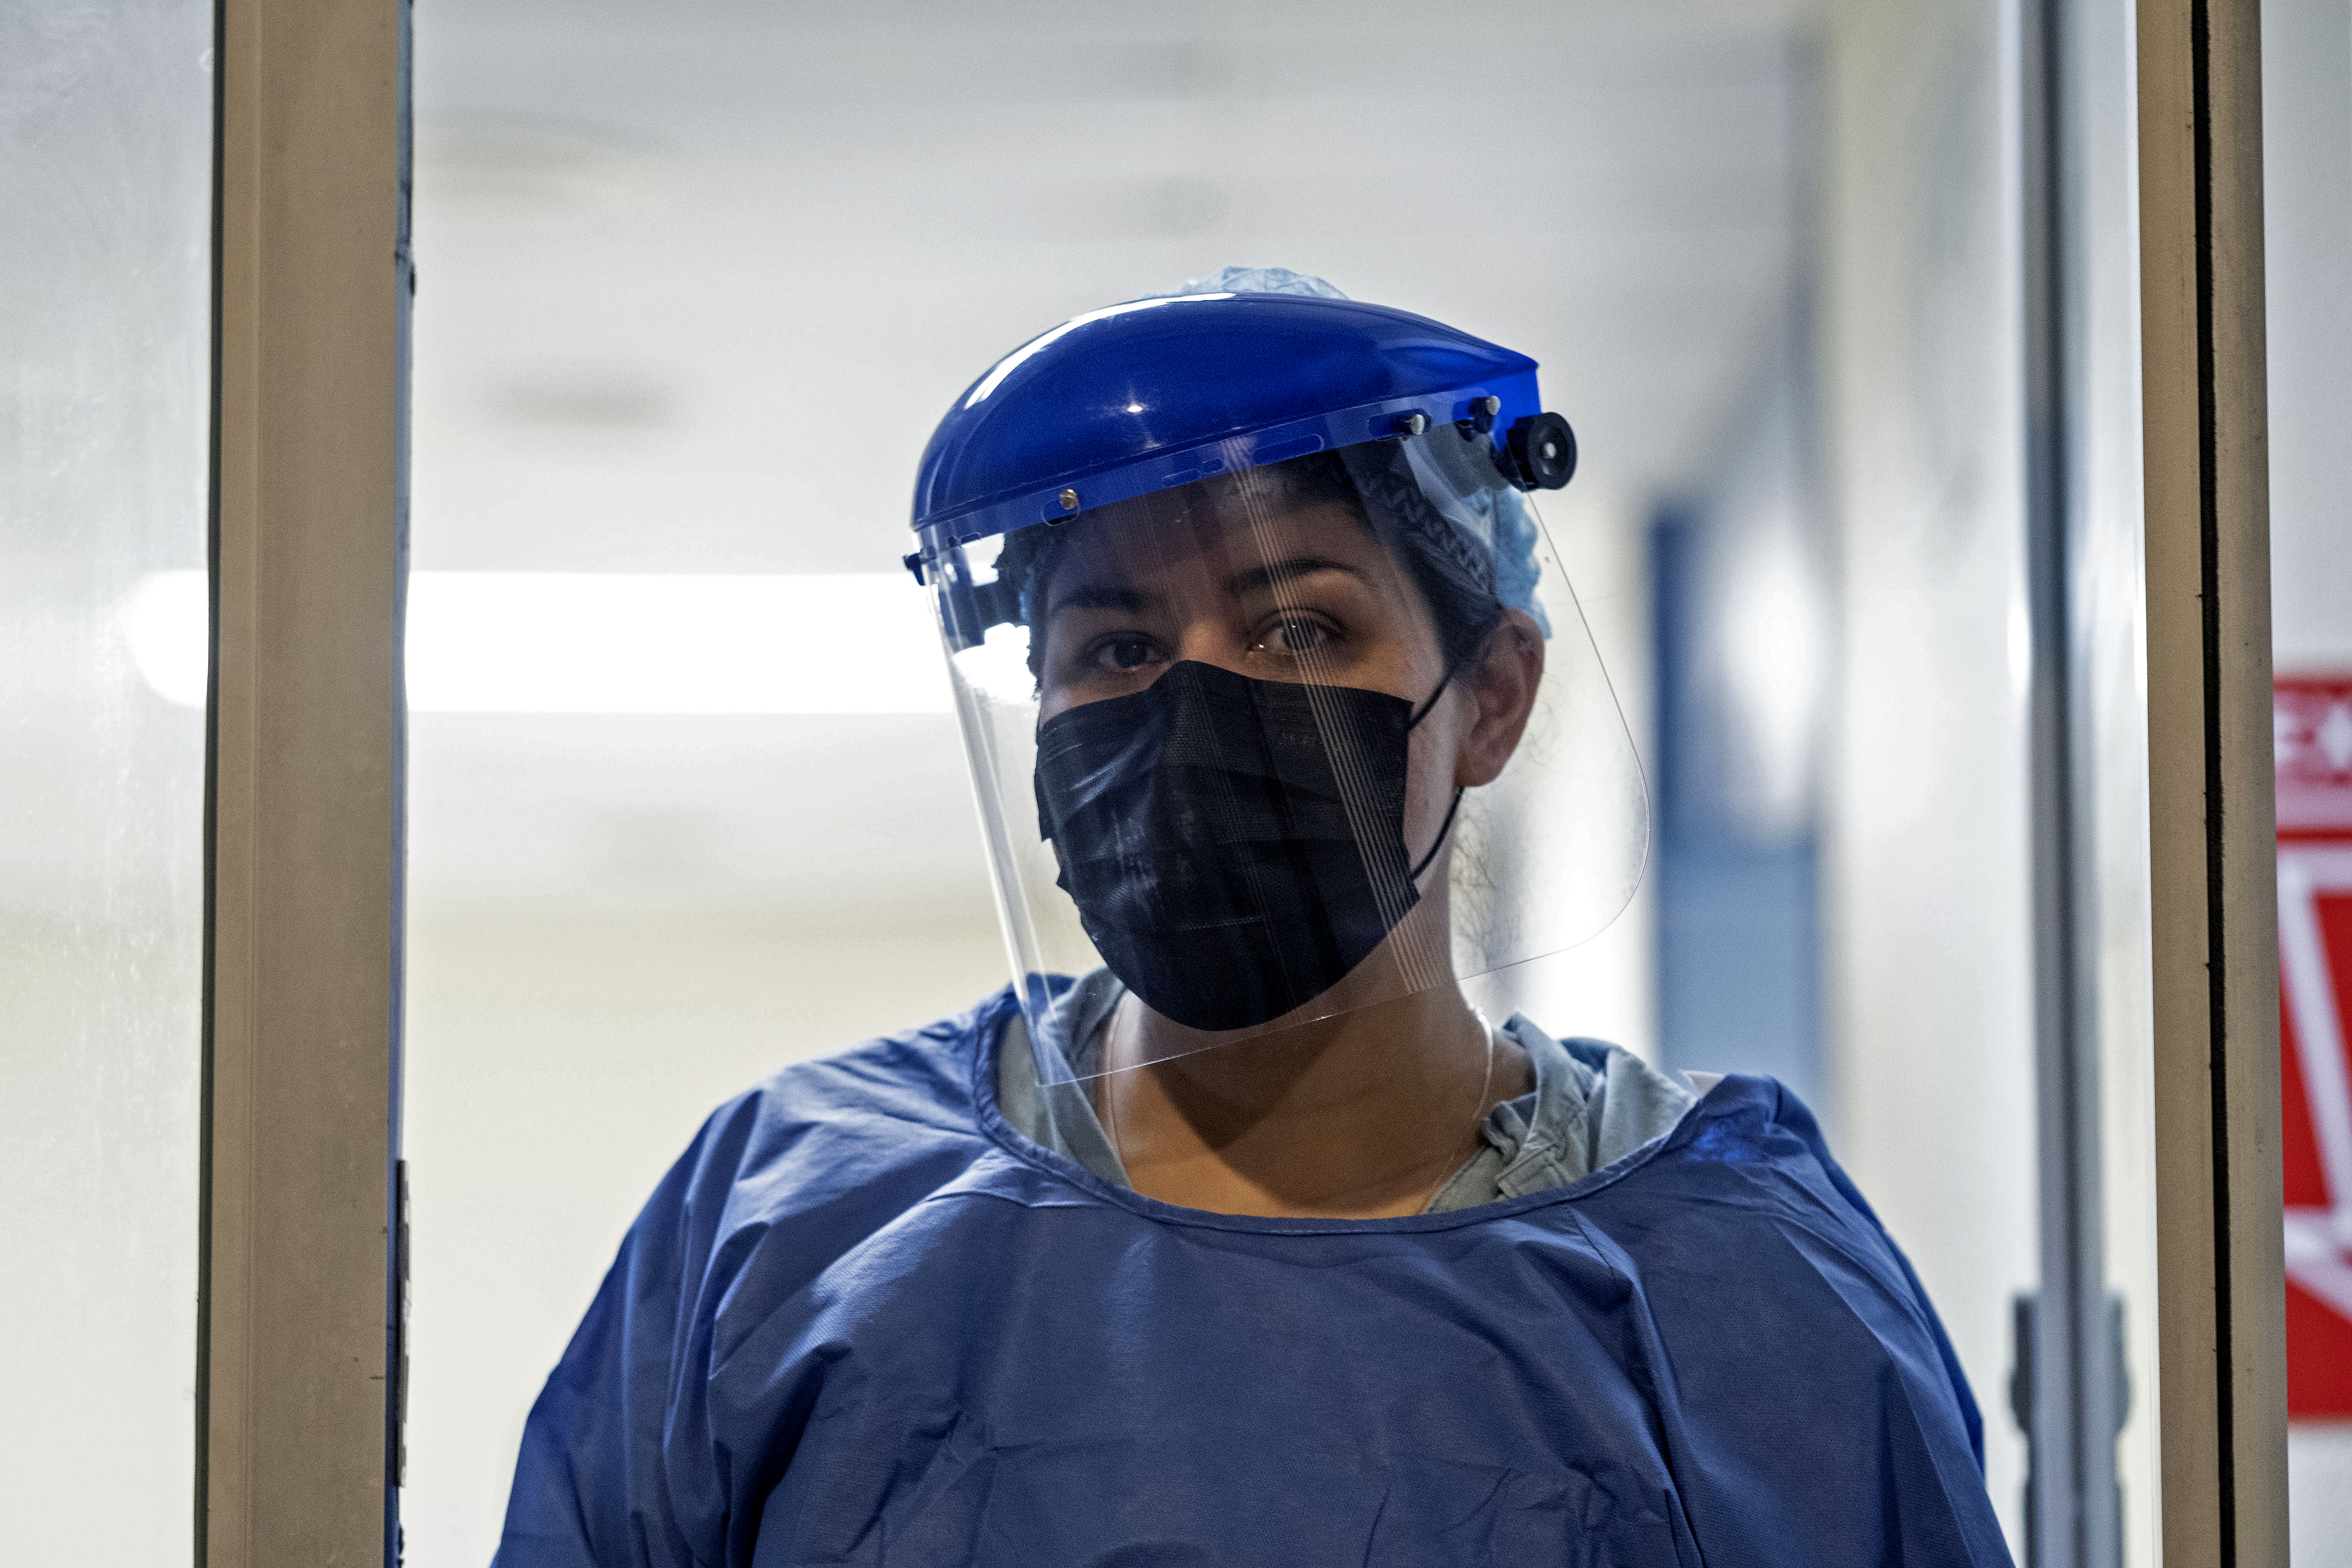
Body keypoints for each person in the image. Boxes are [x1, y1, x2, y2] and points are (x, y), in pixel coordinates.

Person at [493, 269, 2013, 1566]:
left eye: (1300, 624)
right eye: (1115, 643)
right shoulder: (792, 1218)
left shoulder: (1729, 1275)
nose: (1198, 701)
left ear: (1489, 697)